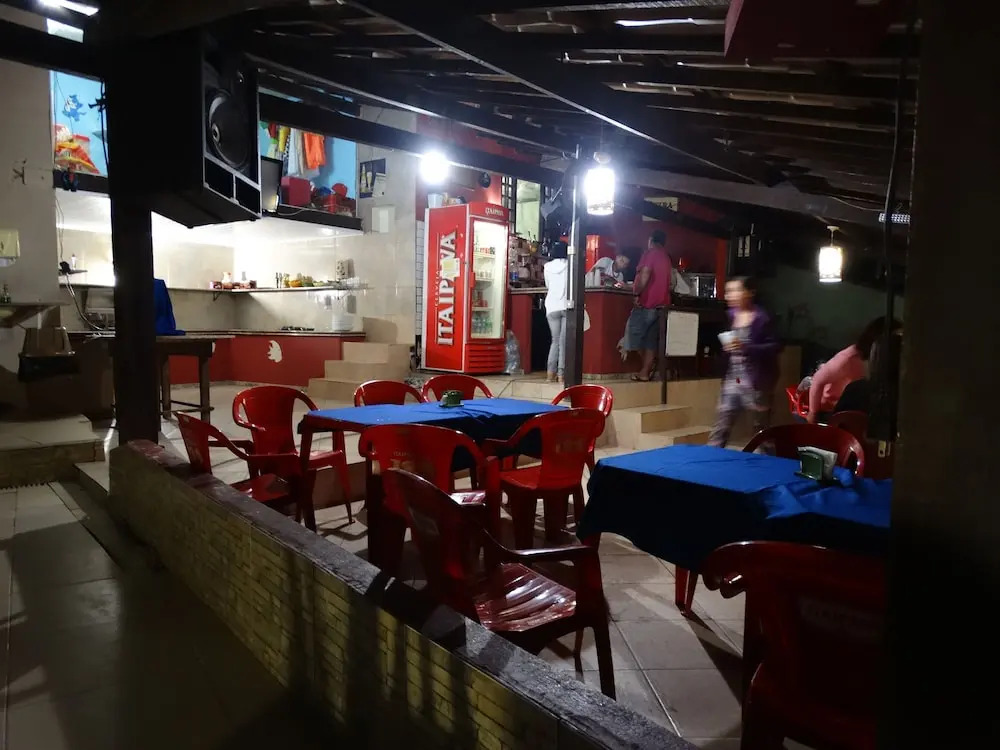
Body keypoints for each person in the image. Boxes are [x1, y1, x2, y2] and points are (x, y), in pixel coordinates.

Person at [708, 277, 781, 448]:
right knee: (721, 425)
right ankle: (710, 459)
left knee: (761, 430)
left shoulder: (762, 318)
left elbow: (775, 346)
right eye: (728, 291)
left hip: (757, 382)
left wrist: (746, 347)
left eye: (735, 290)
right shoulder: (729, 316)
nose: (729, 295)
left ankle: (768, 461)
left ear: (749, 293)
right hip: (733, 380)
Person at [806, 316, 902, 424]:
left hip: (853, 406)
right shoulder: (848, 358)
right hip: (832, 410)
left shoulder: (881, 360)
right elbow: (818, 379)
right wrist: (813, 413)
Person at [624, 230, 672, 381]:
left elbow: (645, 274)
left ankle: (647, 367)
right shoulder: (666, 257)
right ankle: (645, 372)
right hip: (662, 306)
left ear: (651, 240)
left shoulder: (650, 254)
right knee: (651, 341)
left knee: (633, 336)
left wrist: (637, 293)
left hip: (647, 304)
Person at [543, 241, 569, 383]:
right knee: (563, 342)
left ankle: (550, 373)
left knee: (555, 341)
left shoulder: (547, 267)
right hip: (565, 305)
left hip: (551, 306)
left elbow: (548, 285)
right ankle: (561, 375)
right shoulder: (570, 265)